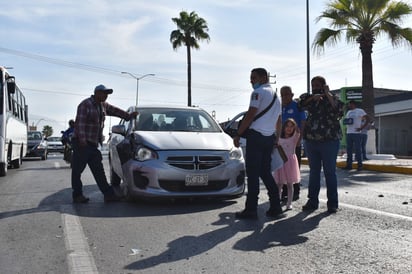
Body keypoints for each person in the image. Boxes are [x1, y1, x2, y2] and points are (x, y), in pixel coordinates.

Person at [71, 84, 138, 203]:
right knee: (77, 171)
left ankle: (108, 194)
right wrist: (82, 141)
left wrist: (128, 116)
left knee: (99, 171)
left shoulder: (102, 106)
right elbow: (79, 124)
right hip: (82, 144)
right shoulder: (85, 105)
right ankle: (77, 195)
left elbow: (115, 111)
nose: (106, 96)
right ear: (97, 93)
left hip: (92, 144)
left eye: (107, 94)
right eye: (104, 93)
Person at [233, 67, 283, 219]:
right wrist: (277, 137)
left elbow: (250, 115)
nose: (251, 81)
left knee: (253, 174)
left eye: (253, 78)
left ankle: (251, 209)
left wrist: (238, 133)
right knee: (265, 172)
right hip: (269, 138)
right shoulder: (276, 96)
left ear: (262, 78)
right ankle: (276, 205)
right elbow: (279, 120)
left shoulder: (258, 93)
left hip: (256, 137)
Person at [298, 76, 344, 214]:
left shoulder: (332, 98)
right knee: (314, 172)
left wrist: (327, 93)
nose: (315, 87)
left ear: (324, 85)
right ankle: (312, 201)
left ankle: (332, 204)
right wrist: (314, 98)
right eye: (313, 85)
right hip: (311, 140)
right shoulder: (308, 97)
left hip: (329, 140)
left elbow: (339, 110)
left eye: (318, 85)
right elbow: (300, 105)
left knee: (330, 172)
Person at [280, 85, 306, 201]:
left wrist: (300, 139)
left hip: (294, 142)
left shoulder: (297, 106)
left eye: (287, 94)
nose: (285, 96)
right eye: (282, 94)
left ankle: (296, 191)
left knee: (294, 167)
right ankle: (285, 191)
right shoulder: (280, 108)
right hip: (282, 143)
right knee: (282, 167)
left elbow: (303, 122)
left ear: (292, 95)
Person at [273, 118, 301, 210]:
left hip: (290, 163)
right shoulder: (279, 138)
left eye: (291, 126)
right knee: (279, 184)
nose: (289, 128)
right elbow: (275, 126)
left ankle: (289, 203)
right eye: (287, 126)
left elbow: (298, 130)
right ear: (283, 127)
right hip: (280, 162)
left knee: (290, 184)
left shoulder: (294, 138)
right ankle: (277, 201)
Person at [343, 100, 370, 171]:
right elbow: (347, 120)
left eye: (350, 104)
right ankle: (349, 165)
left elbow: (367, 118)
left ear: (353, 104)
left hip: (357, 133)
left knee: (358, 149)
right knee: (349, 150)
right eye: (349, 104)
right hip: (349, 133)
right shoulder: (348, 112)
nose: (349, 105)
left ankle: (360, 165)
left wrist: (362, 127)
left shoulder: (360, 111)